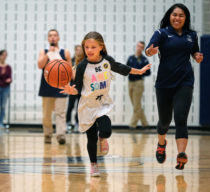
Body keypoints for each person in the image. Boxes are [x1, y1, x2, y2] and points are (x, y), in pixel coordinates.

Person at [60, 31, 151, 176]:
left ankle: (102, 139)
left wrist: (139, 71)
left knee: (106, 131)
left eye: (93, 47)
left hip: (102, 103)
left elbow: (121, 68)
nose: (89, 50)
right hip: (87, 106)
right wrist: (71, 90)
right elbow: (77, 88)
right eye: (87, 47)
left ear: (101, 47)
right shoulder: (82, 66)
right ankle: (94, 165)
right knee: (91, 138)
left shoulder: (107, 61)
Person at [145, 3, 203, 170]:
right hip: (164, 84)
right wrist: (150, 52)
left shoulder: (191, 35)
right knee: (165, 121)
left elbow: (194, 52)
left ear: (186, 18)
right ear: (169, 16)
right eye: (174, 15)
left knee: (180, 118)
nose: (177, 18)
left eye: (181, 15)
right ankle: (161, 144)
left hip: (185, 82)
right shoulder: (161, 33)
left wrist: (197, 56)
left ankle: (181, 154)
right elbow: (149, 50)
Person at [37, 29, 72, 144]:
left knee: (61, 113)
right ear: (48, 38)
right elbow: (40, 65)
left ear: (58, 38)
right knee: (47, 113)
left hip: (61, 86)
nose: (52, 37)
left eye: (55, 35)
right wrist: (48, 55)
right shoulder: (44, 51)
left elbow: (70, 71)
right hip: (47, 86)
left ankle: (61, 135)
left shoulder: (65, 52)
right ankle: (47, 134)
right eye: (50, 36)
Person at [127, 41, 151, 130]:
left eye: (141, 47)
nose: (139, 48)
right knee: (136, 105)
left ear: (143, 48)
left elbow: (148, 72)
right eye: (138, 46)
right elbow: (127, 69)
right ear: (136, 46)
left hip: (138, 83)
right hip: (130, 82)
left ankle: (132, 124)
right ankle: (145, 123)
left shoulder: (144, 60)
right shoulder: (130, 58)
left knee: (136, 105)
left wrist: (139, 73)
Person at [66, 45, 82, 133]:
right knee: (70, 106)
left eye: (80, 50)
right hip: (72, 87)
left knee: (79, 108)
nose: (79, 52)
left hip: (81, 88)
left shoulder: (84, 61)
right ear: (75, 51)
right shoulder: (70, 61)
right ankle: (68, 123)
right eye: (77, 50)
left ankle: (77, 123)